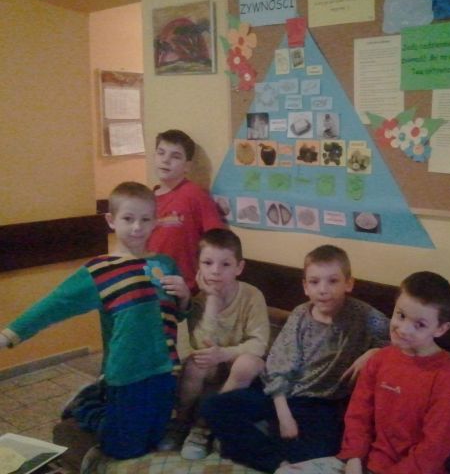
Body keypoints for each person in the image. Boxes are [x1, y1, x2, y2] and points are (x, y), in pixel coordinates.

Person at [0, 182, 191, 470]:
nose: (137, 227)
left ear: (155, 221)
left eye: (145, 219)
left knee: (155, 436)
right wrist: (8, 335)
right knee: (123, 447)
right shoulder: (100, 271)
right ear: (111, 220)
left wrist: (185, 296)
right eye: (128, 218)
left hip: (165, 369)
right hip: (126, 373)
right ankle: (86, 403)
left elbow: (178, 314)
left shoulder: (165, 264)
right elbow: (54, 304)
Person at [198, 245, 390, 473]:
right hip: (280, 393)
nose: (323, 290)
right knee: (213, 406)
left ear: (348, 283)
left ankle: (250, 442)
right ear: (305, 287)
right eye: (315, 282)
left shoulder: (363, 315)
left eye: (333, 281)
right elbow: (277, 368)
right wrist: (284, 416)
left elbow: (398, 335)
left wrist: (374, 352)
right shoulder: (300, 315)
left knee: (324, 449)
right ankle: (277, 463)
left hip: (321, 402)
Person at [276, 271, 450, 474]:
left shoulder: (444, 376)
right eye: (401, 315)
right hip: (363, 462)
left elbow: (435, 447)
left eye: (420, 325)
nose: (404, 329)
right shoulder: (379, 359)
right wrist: (354, 457)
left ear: (441, 329)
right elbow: (358, 415)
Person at [158, 228, 270, 460]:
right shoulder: (198, 300)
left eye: (225, 264)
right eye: (208, 263)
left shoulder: (252, 295)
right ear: (198, 266)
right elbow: (200, 344)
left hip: (240, 369)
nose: (215, 271)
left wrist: (225, 354)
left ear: (239, 267)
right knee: (195, 363)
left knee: (247, 363)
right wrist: (212, 300)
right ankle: (181, 421)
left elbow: (259, 344)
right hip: (212, 365)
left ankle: (204, 426)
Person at [148, 129, 227, 294]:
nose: (166, 160)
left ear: (187, 166)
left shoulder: (194, 194)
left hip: (184, 288)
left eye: (175, 156)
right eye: (161, 153)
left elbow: (217, 240)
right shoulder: (146, 199)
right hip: (151, 284)